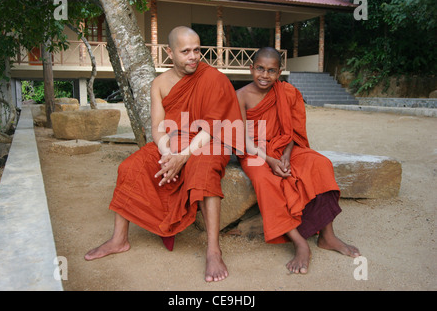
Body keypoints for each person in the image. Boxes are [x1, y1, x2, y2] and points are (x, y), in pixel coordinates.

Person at [84, 26, 243, 282]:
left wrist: (183, 156)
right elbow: (158, 128)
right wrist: (169, 154)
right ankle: (118, 239)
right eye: (185, 51)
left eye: (197, 50)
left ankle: (213, 250)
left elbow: (213, 127)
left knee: (202, 173)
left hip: (207, 143)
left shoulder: (214, 78)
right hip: (171, 144)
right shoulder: (159, 83)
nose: (193, 56)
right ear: (169, 52)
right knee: (130, 167)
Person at [236, 47, 359, 274]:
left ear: (280, 72)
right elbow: (242, 140)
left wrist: (285, 155)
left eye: (271, 71)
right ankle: (299, 242)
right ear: (251, 68)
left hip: (284, 148)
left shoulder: (288, 92)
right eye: (260, 69)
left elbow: (293, 131)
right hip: (256, 152)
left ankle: (327, 236)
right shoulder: (241, 96)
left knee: (320, 164)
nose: (265, 75)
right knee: (266, 180)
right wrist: (271, 161)